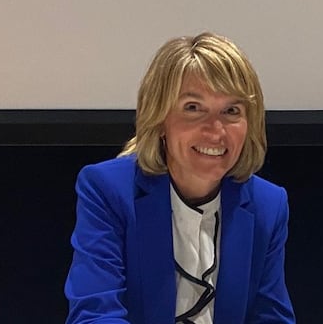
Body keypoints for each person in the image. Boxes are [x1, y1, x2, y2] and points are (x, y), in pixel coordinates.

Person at [64, 32, 295, 323]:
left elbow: (271, 317)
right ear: (160, 118)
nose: (215, 130)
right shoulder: (108, 190)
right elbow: (96, 313)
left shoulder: (268, 204)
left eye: (231, 111)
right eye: (193, 108)